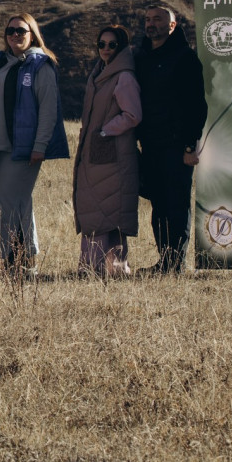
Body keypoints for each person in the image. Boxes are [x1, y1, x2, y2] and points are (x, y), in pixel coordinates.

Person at [0, 13, 69, 276]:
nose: (15, 35)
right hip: (0, 148)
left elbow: (48, 110)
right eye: (10, 30)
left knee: (8, 203)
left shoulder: (39, 65)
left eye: (21, 30)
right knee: (9, 203)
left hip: (23, 148)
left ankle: (18, 262)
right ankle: (21, 262)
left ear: (32, 33)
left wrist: (40, 145)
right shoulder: (3, 64)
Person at [133, 6, 207, 274]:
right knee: (159, 203)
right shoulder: (141, 58)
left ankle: (176, 263)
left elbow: (196, 105)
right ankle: (164, 259)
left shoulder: (185, 58)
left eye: (158, 20)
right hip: (150, 145)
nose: (151, 24)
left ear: (172, 26)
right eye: (148, 19)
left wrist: (190, 145)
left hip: (177, 146)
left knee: (176, 204)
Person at [74, 26, 142, 277]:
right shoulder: (100, 73)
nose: (105, 49)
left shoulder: (123, 76)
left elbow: (133, 114)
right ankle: (98, 267)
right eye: (101, 44)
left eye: (111, 45)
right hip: (98, 154)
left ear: (121, 47)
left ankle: (106, 267)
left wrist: (105, 131)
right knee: (97, 209)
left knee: (107, 212)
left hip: (113, 155)